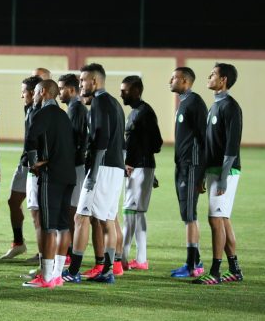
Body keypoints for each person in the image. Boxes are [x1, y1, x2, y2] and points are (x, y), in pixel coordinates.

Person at [63, 63, 125, 284]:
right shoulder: (115, 104)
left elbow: (101, 139)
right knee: (107, 220)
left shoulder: (99, 102)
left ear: (95, 82)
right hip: (115, 168)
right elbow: (120, 141)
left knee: (81, 217)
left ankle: (73, 271)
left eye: (82, 81)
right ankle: (107, 271)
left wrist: (93, 174)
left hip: (103, 168)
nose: (80, 85)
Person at [23, 79, 76, 288]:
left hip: (51, 175)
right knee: (63, 225)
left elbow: (30, 139)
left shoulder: (41, 113)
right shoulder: (64, 115)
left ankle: (45, 277)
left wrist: (34, 162)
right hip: (69, 175)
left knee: (48, 226)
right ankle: (57, 275)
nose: (33, 96)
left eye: (35, 92)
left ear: (43, 92)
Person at [196, 63, 244, 285]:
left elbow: (232, 146)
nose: (209, 76)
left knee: (215, 219)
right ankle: (234, 269)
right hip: (214, 171)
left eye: (213, 74)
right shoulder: (214, 107)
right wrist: (204, 174)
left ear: (223, 79)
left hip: (226, 171)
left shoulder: (231, 107)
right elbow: (210, 144)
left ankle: (215, 271)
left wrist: (224, 176)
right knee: (222, 220)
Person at [119, 75, 163, 270]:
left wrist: (139, 166)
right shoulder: (136, 112)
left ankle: (121, 258)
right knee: (137, 214)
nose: (121, 93)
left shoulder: (143, 113)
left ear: (136, 91)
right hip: (140, 167)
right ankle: (141, 259)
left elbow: (156, 143)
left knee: (129, 212)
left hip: (137, 168)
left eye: (125, 90)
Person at [168, 67, 207, 278]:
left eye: (173, 78)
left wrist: (202, 171)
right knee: (186, 214)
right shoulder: (184, 102)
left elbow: (204, 138)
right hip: (182, 166)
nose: (170, 80)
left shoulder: (195, 102)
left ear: (184, 80)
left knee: (190, 215)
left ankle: (192, 265)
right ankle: (196, 261)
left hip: (192, 166)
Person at [2, 75, 42, 261]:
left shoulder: (43, 111)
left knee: (38, 210)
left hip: (36, 165)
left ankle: (44, 252)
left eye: (23, 92)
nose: (21, 96)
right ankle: (19, 243)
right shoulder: (29, 108)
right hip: (24, 162)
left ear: (33, 93)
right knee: (13, 201)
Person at [57, 73, 88, 265]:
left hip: (77, 166)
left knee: (73, 211)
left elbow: (75, 141)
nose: (59, 93)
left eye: (61, 89)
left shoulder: (76, 109)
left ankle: (72, 252)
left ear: (70, 89)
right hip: (76, 165)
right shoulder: (74, 108)